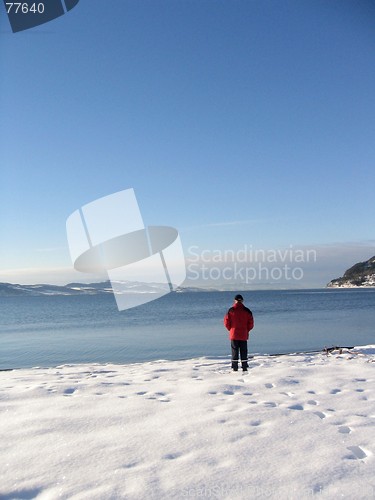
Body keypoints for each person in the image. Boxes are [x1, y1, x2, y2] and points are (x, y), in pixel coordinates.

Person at [224, 294, 254, 372]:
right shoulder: (247, 310)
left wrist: (230, 329)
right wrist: (247, 330)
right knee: (244, 351)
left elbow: (226, 322)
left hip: (234, 334)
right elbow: (251, 323)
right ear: (242, 301)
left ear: (235, 300)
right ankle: (244, 366)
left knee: (234, 351)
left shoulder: (231, 310)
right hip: (243, 334)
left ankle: (235, 367)